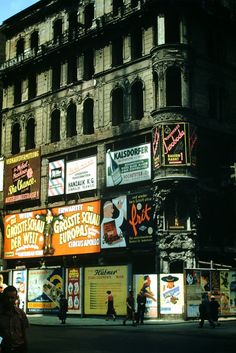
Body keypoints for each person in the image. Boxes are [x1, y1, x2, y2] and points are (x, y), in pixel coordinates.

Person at [0, 285, 29, 353]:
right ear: (4, 298)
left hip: (19, 348)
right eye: (7, 298)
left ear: (16, 298)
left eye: (12, 298)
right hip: (4, 349)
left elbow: (24, 333)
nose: (10, 300)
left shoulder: (21, 313)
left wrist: (25, 347)